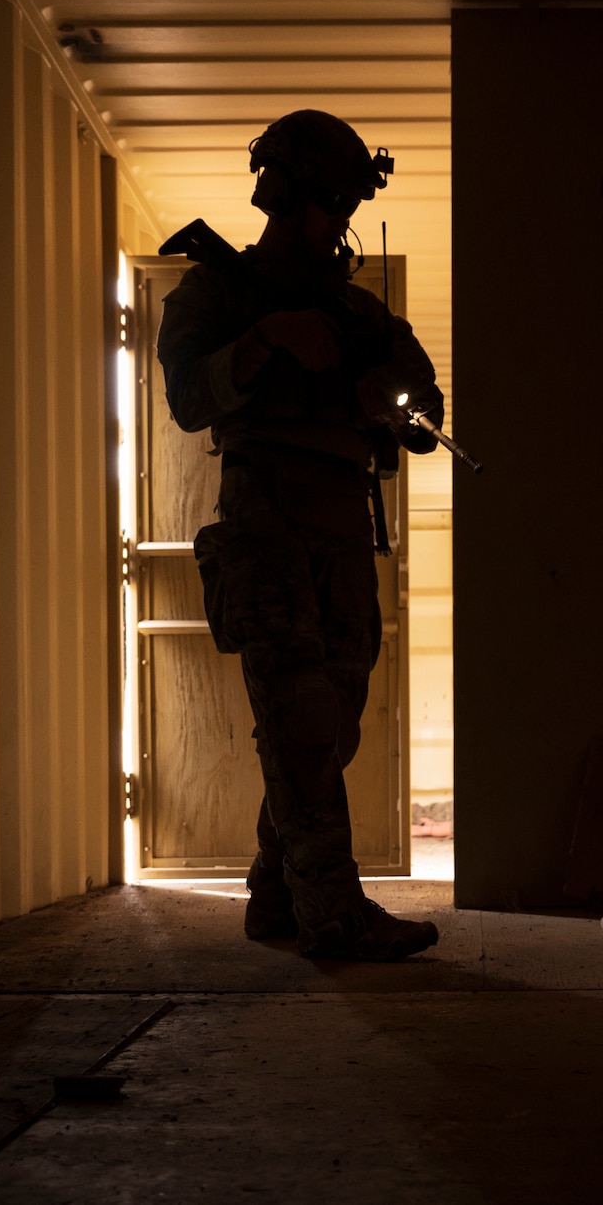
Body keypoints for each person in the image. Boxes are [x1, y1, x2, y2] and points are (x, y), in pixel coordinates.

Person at [155, 109, 446, 961]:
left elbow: (424, 414)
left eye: (346, 204)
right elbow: (188, 401)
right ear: (281, 193)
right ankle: (333, 913)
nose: (335, 221)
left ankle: (275, 894)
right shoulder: (214, 293)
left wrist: (389, 403)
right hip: (266, 522)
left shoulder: (360, 315)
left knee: (339, 722)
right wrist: (264, 340)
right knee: (302, 722)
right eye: (326, 200)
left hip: (344, 526)